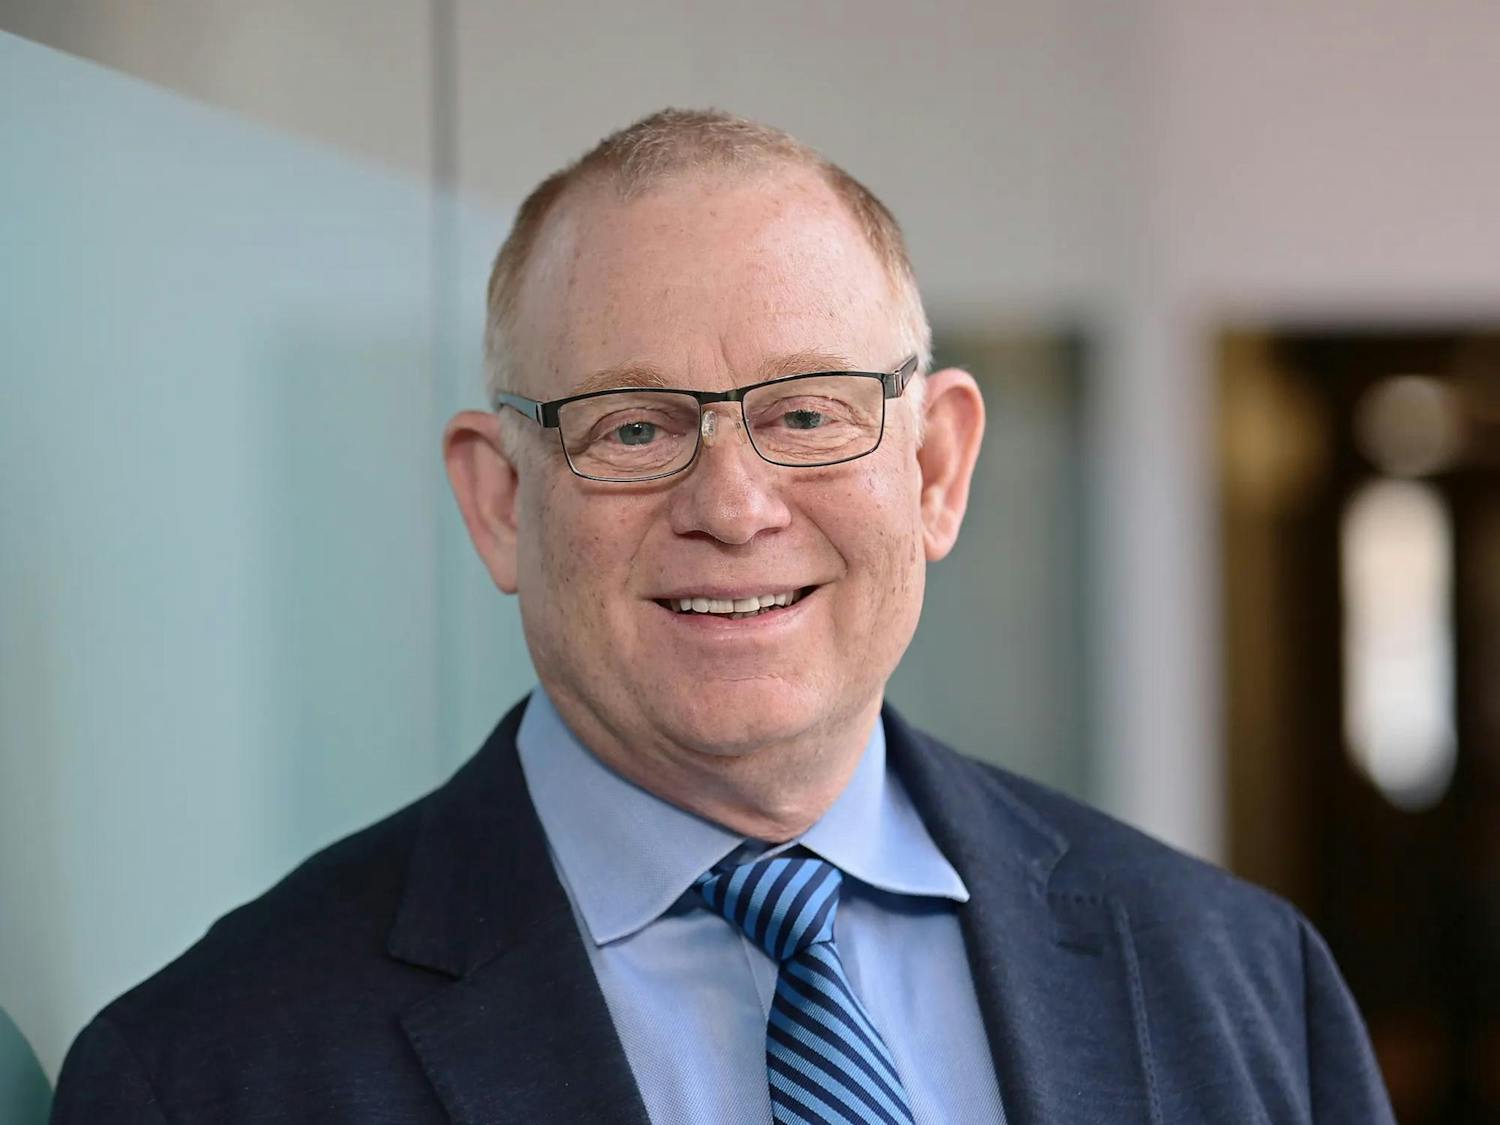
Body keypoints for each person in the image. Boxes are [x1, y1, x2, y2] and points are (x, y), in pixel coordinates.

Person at [50, 109, 1394, 1125]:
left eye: (808, 411)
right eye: (632, 425)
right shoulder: (210, 1071)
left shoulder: (1245, 986)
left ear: (935, 468)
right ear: (497, 499)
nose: (736, 503)